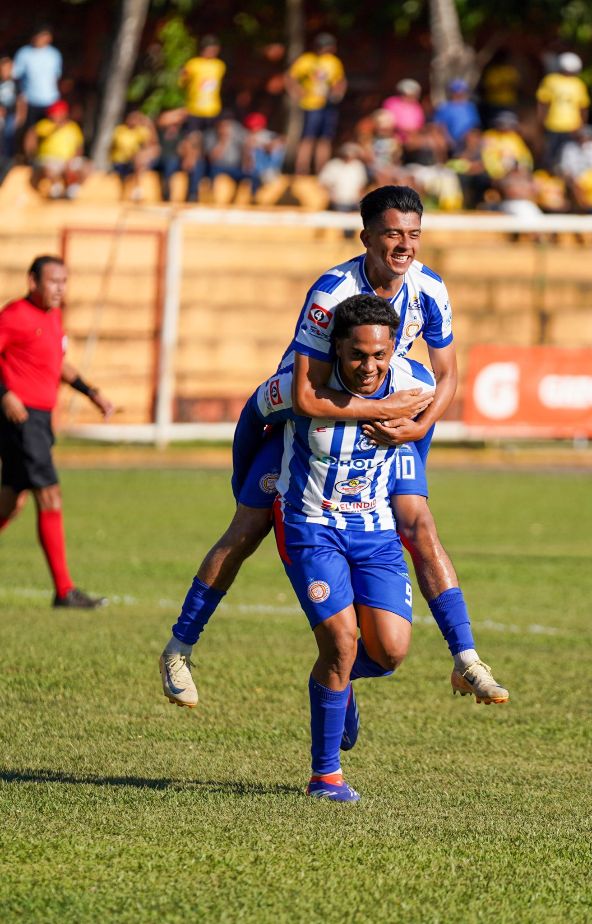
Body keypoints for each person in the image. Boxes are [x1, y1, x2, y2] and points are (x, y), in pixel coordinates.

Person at [159, 185, 509, 710]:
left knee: (419, 524)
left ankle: (465, 659)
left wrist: (416, 430)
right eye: (393, 234)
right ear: (366, 236)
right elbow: (300, 395)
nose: (405, 245)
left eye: (413, 235)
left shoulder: (430, 289)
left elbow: (447, 375)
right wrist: (245, 477)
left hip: (385, 423)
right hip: (305, 425)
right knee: (247, 528)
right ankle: (179, 649)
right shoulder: (332, 292)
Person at [275, 295, 435, 800]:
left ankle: (338, 684)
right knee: (341, 642)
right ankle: (325, 777)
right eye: (357, 355)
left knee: (389, 652)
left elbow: (428, 420)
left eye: (379, 355)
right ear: (337, 349)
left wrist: (414, 431)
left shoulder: (416, 387)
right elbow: (254, 417)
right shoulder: (303, 389)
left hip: (375, 533)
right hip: (312, 527)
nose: (369, 367)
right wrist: (247, 489)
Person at [0, 256, 114, 608]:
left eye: (64, 281)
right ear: (33, 281)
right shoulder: (14, 315)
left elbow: (57, 363)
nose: (60, 288)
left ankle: (65, 592)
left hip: (39, 420)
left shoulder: (52, 317)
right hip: (20, 419)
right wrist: (5, 394)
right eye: (53, 281)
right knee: (50, 494)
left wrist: (91, 392)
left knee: (10, 501)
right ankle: (64, 590)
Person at [286, 33, 347, 176]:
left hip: (328, 104)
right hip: (311, 105)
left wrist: (338, 93)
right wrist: (297, 92)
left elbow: (340, 81)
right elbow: (290, 77)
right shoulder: (306, 60)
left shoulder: (334, 62)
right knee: (308, 138)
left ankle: (322, 172)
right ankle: (302, 170)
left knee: (325, 139)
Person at [536, 52, 590, 171]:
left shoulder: (576, 83)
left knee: (566, 156)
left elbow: (583, 107)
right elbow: (543, 103)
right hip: (555, 125)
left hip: (570, 126)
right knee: (551, 154)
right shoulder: (554, 81)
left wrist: (540, 121)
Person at [24, 99, 87, 199]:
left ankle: (72, 189)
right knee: (49, 168)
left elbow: (78, 147)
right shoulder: (44, 125)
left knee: (85, 168)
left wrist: (71, 159)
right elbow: (32, 137)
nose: (54, 116)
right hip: (49, 159)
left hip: (68, 160)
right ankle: (56, 189)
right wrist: (31, 155)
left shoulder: (73, 127)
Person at [12, 25, 62, 133]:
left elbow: (56, 76)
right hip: (30, 99)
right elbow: (16, 75)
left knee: (48, 130)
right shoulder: (24, 53)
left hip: (50, 99)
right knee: (30, 131)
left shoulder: (54, 54)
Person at [180, 35, 226, 135]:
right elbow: (182, 83)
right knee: (193, 136)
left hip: (213, 110)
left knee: (209, 138)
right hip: (194, 109)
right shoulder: (192, 64)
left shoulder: (219, 65)